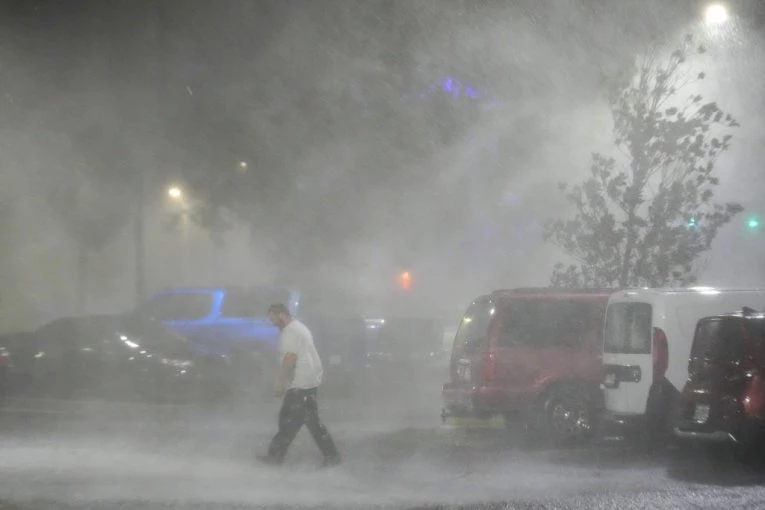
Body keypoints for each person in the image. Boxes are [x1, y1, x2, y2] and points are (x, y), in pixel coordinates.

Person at [257, 303, 341, 467]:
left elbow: (289, 358)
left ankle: (276, 457)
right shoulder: (299, 328)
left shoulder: (290, 332)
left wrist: (279, 382)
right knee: (299, 422)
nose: (273, 323)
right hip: (307, 383)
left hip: (300, 384)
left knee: (296, 422)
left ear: (281, 315)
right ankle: (331, 457)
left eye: (273, 319)